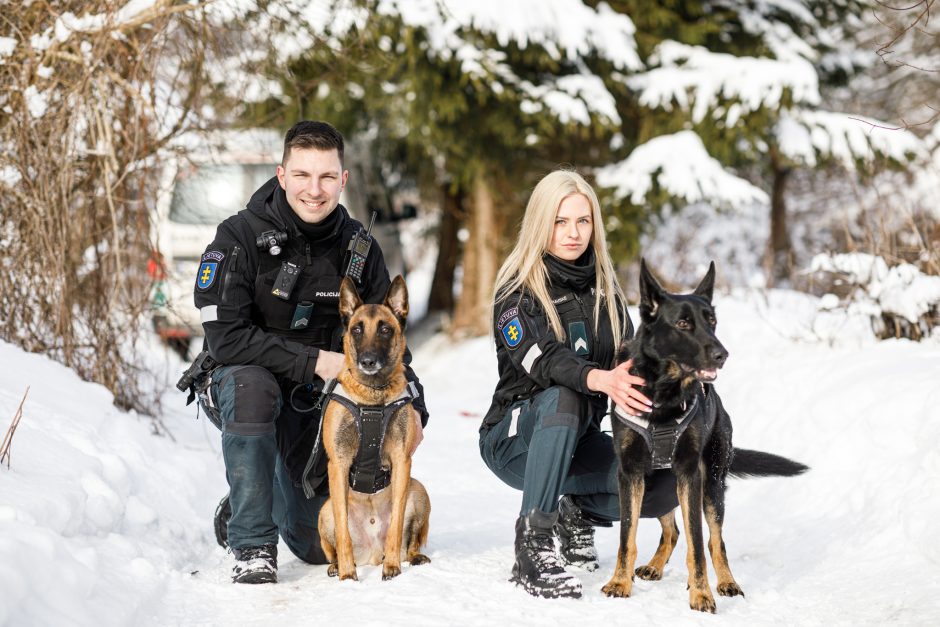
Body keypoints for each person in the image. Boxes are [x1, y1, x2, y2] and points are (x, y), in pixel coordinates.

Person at [189, 121, 428, 584]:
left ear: (343, 179)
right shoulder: (237, 238)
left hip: (316, 405)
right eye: (302, 176)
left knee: (318, 544)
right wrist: (317, 362)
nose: (313, 191)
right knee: (252, 385)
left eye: (325, 177)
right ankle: (253, 542)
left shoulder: (359, 249)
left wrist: (414, 403)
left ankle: (259, 494)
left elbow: (390, 338)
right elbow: (226, 338)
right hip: (245, 388)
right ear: (281, 176)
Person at [478, 170, 678, 599]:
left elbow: (632, 363)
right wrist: (598, 378)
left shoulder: (606, 290)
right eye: (560, 221)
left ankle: (574, 512)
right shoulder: (516, 291)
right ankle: (533, 544)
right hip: (516, 441)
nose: (573, 233)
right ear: (540, 222)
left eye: (582, 221)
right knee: (563, 396)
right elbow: (544, 361)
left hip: (579, 439)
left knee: (661, 488)